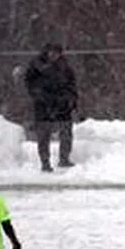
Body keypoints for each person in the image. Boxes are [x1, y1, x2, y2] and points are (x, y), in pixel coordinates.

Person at [24, 42, 79, 171]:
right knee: (44, 135)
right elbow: (29, 83)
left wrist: (71, 99)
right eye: (52, 52)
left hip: (62, 103)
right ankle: (45, 162)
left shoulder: (65, 66)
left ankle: (64, 158)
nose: (54, 55)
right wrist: (39, 95)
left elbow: (71, 84)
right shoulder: (37, 66)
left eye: (57, 53)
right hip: (43, 104)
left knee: (66, 132)